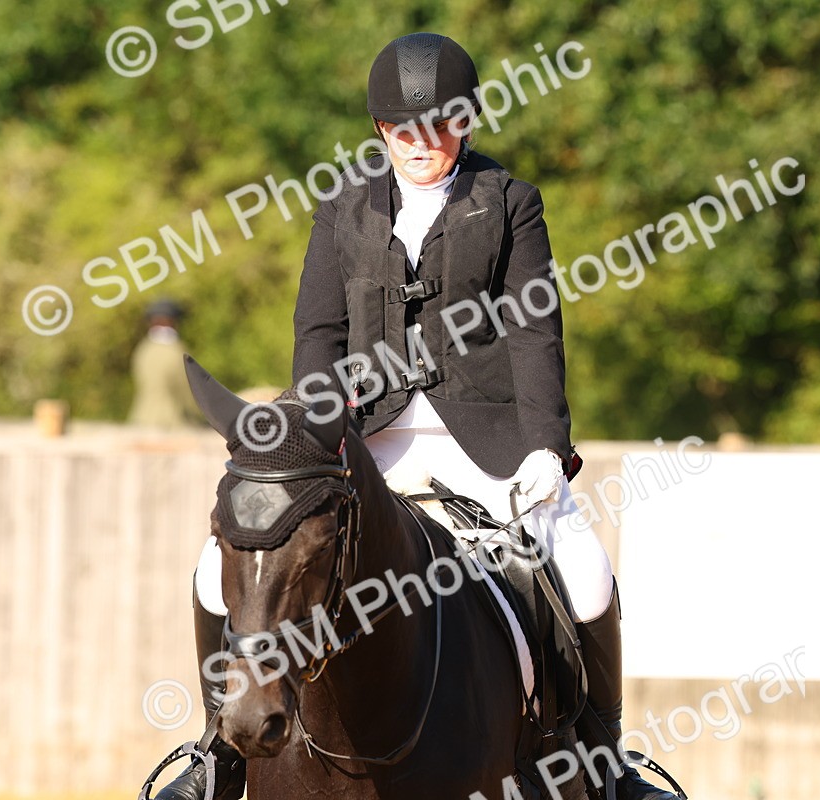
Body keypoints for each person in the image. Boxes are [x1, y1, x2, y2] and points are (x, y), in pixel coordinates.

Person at [159, 33, 680, 800]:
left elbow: (536, 327)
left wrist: (546, 446)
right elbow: (320, 333)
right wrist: (320, 426)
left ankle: (608, 766)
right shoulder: (343, 205)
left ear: (465, 123)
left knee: (587, 572)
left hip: (486, 438)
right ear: (381, 132)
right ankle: (219, 755)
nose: (421, 144)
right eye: (404, 130)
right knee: (215, 571)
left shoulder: (508, 202)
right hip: (367, 435)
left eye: (439, 126)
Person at [129, 299, 201, 429]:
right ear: (174, 322)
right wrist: (202, 414)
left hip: (140, 419)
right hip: (171, 422)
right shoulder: (177, 351)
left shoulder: (143, 350)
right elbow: (188, 391)